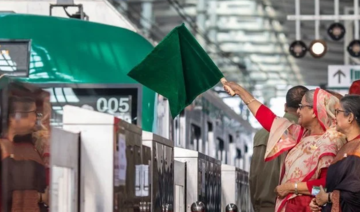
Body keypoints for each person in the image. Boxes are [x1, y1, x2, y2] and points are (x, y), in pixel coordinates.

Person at [223, 82, 346, 212]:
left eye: (301, 106)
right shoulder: (300, 135)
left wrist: (292, 188)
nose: (298, 111)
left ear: (314, 111)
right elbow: (268, 118)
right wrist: (241, 92)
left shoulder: (331, 142)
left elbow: (326, 187)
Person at [250, 86, 308, 212]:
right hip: (288, 206)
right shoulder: (305, 135)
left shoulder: (260, 134)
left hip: (262, 206)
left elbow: (253, 176)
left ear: (285, 106)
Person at [309, 95, 360, 211]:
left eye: (337, 112)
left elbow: (356, 194)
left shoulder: (358, 148)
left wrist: (328, 197)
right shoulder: (346, 146)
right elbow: (336, 184)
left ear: (350, 117)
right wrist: (319, 200)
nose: (334, 117)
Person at [0, 96, 49, 212]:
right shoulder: (11, 149)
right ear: (13, 117)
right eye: (32, 112)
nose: (35, 118)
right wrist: (42, 197)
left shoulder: (28, 147)